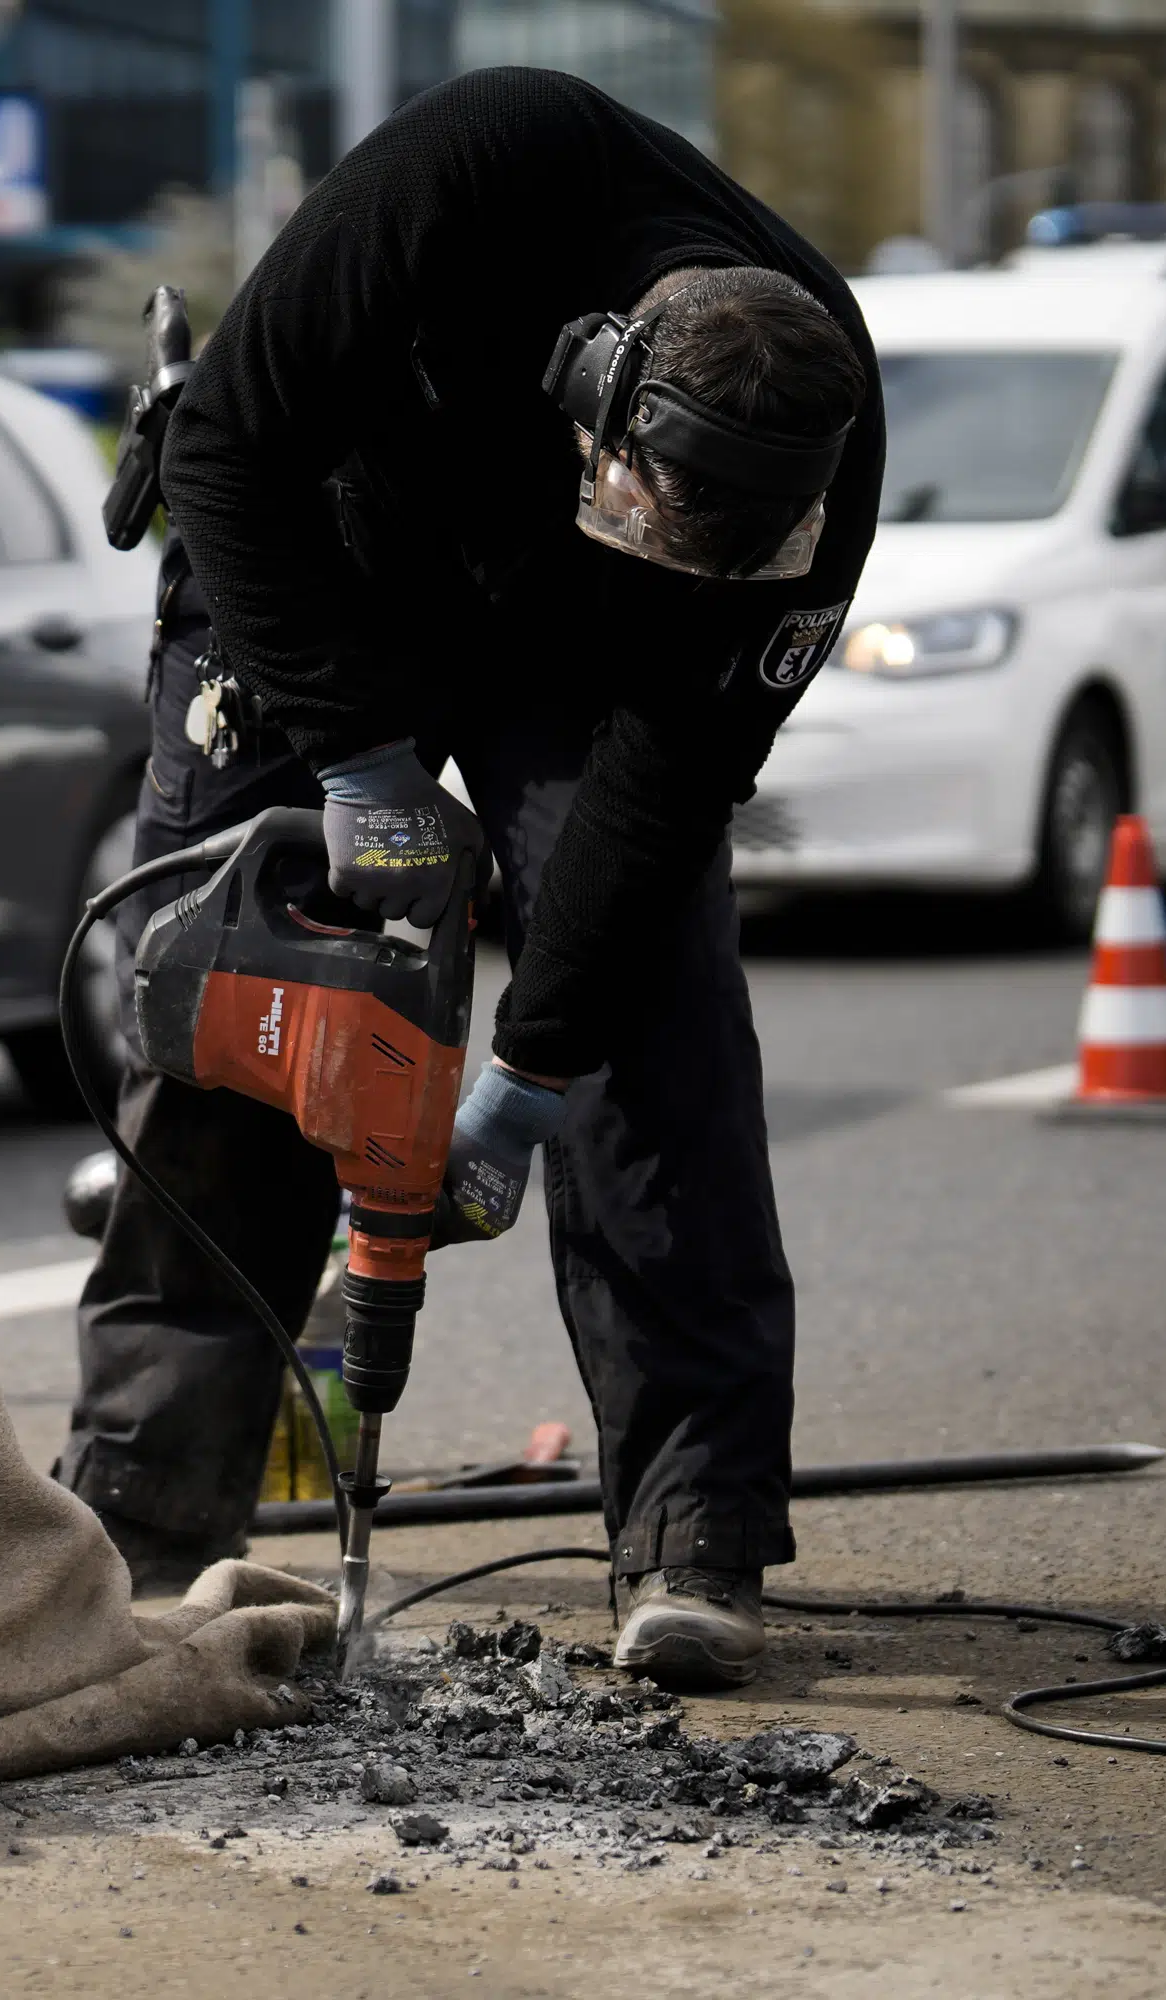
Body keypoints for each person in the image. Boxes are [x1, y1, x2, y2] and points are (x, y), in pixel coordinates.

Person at [58, 67, 884, 1692]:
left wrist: (528, 1082)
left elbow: (664, 791)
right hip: (319, 552)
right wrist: (359, 763)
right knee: (256, 984)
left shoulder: (820, 433)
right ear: (595, 387)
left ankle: (694, 1530)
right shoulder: (475, 172)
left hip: (583, 654)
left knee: (659, 1009)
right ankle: (148, 1504)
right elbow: (227, 449)